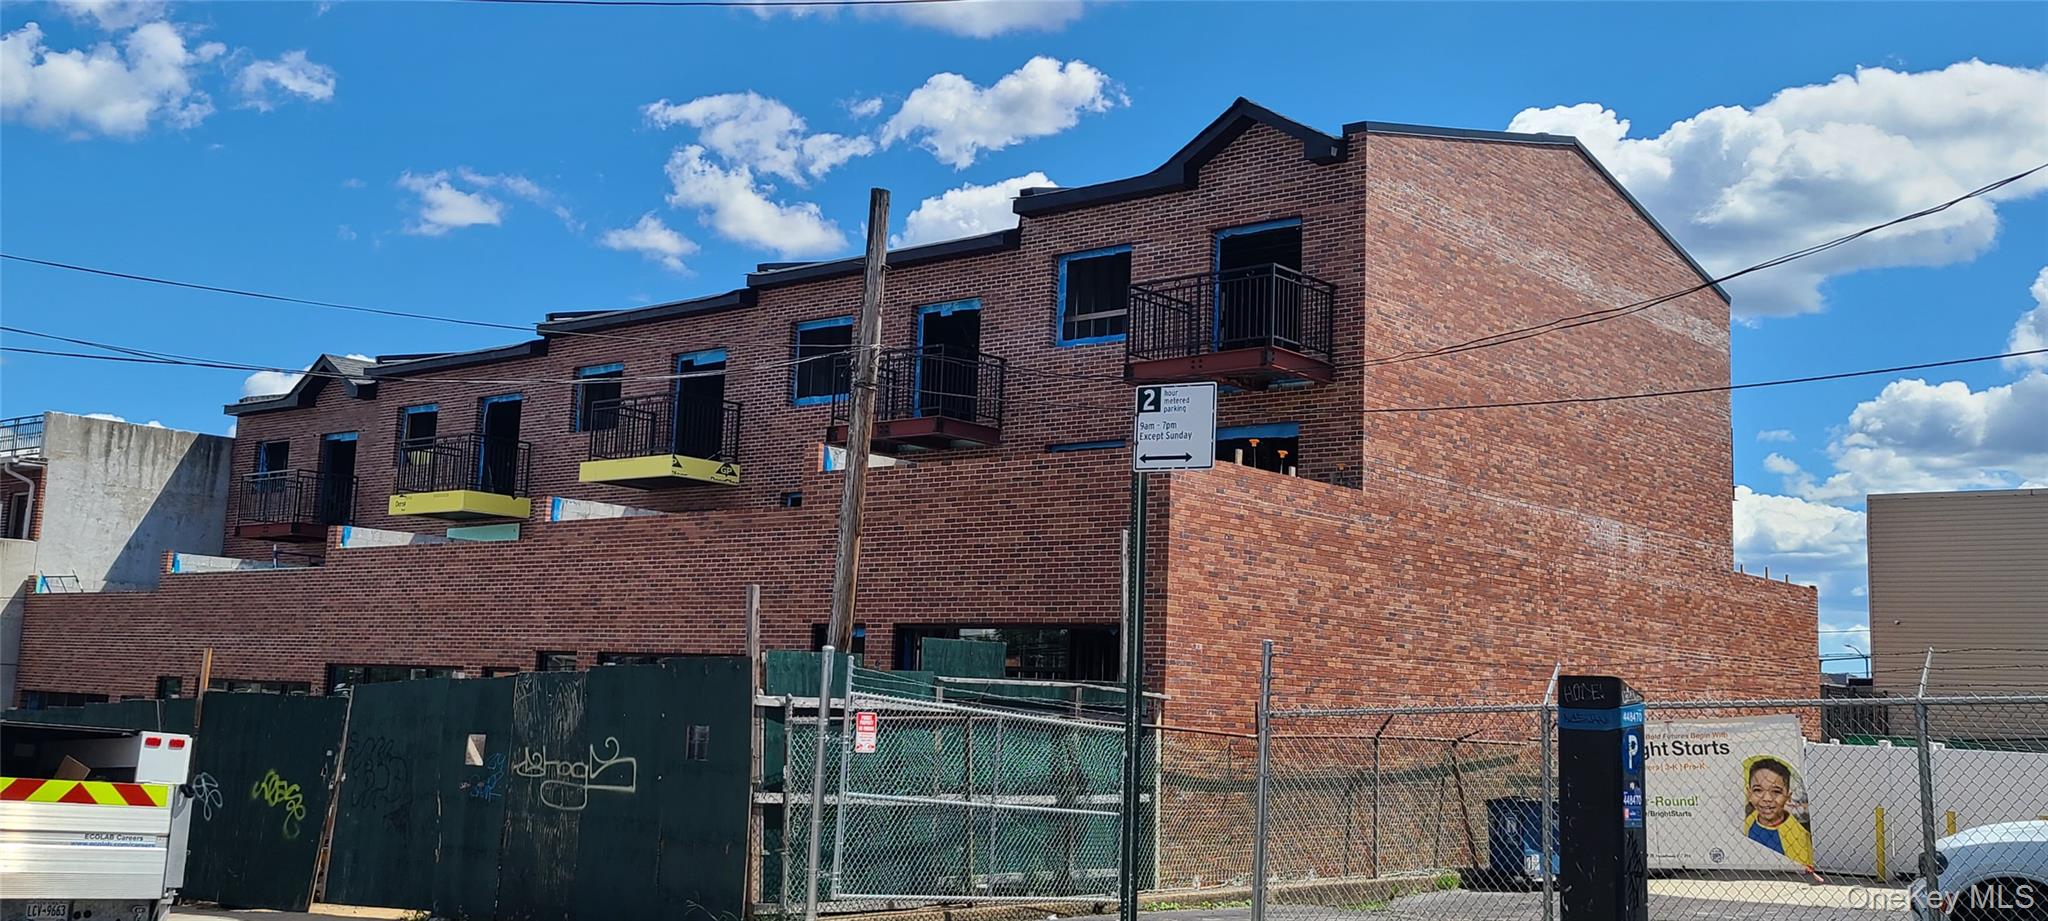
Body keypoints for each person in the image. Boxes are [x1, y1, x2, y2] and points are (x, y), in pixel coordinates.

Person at [1743, 756, 1814, 869]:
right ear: (1749, 793)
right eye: (1758, 790)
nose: (1767, 799)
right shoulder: (1749, 820)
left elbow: (1806, 870)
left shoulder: (1796, 836)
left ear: (1788, 796)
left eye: (1776, 792)